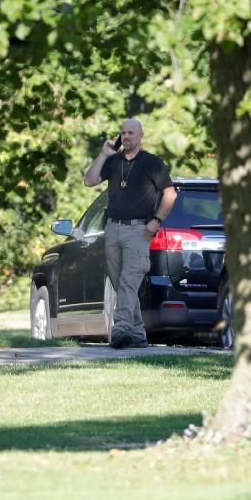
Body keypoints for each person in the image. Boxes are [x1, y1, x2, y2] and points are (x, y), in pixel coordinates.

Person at [84, 119, 177, 348]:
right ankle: (138, 335)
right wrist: (104, 154)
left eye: (131, 133)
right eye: (123, 133)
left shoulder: (152, 162)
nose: (126, 137)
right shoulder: (113, 161)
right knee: (119, 282)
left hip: (138, 230)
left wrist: (156, 221)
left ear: (141, 135)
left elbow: (170, 194)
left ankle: (121, 328)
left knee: (128, 281)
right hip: (113, 228)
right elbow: (90, 180)